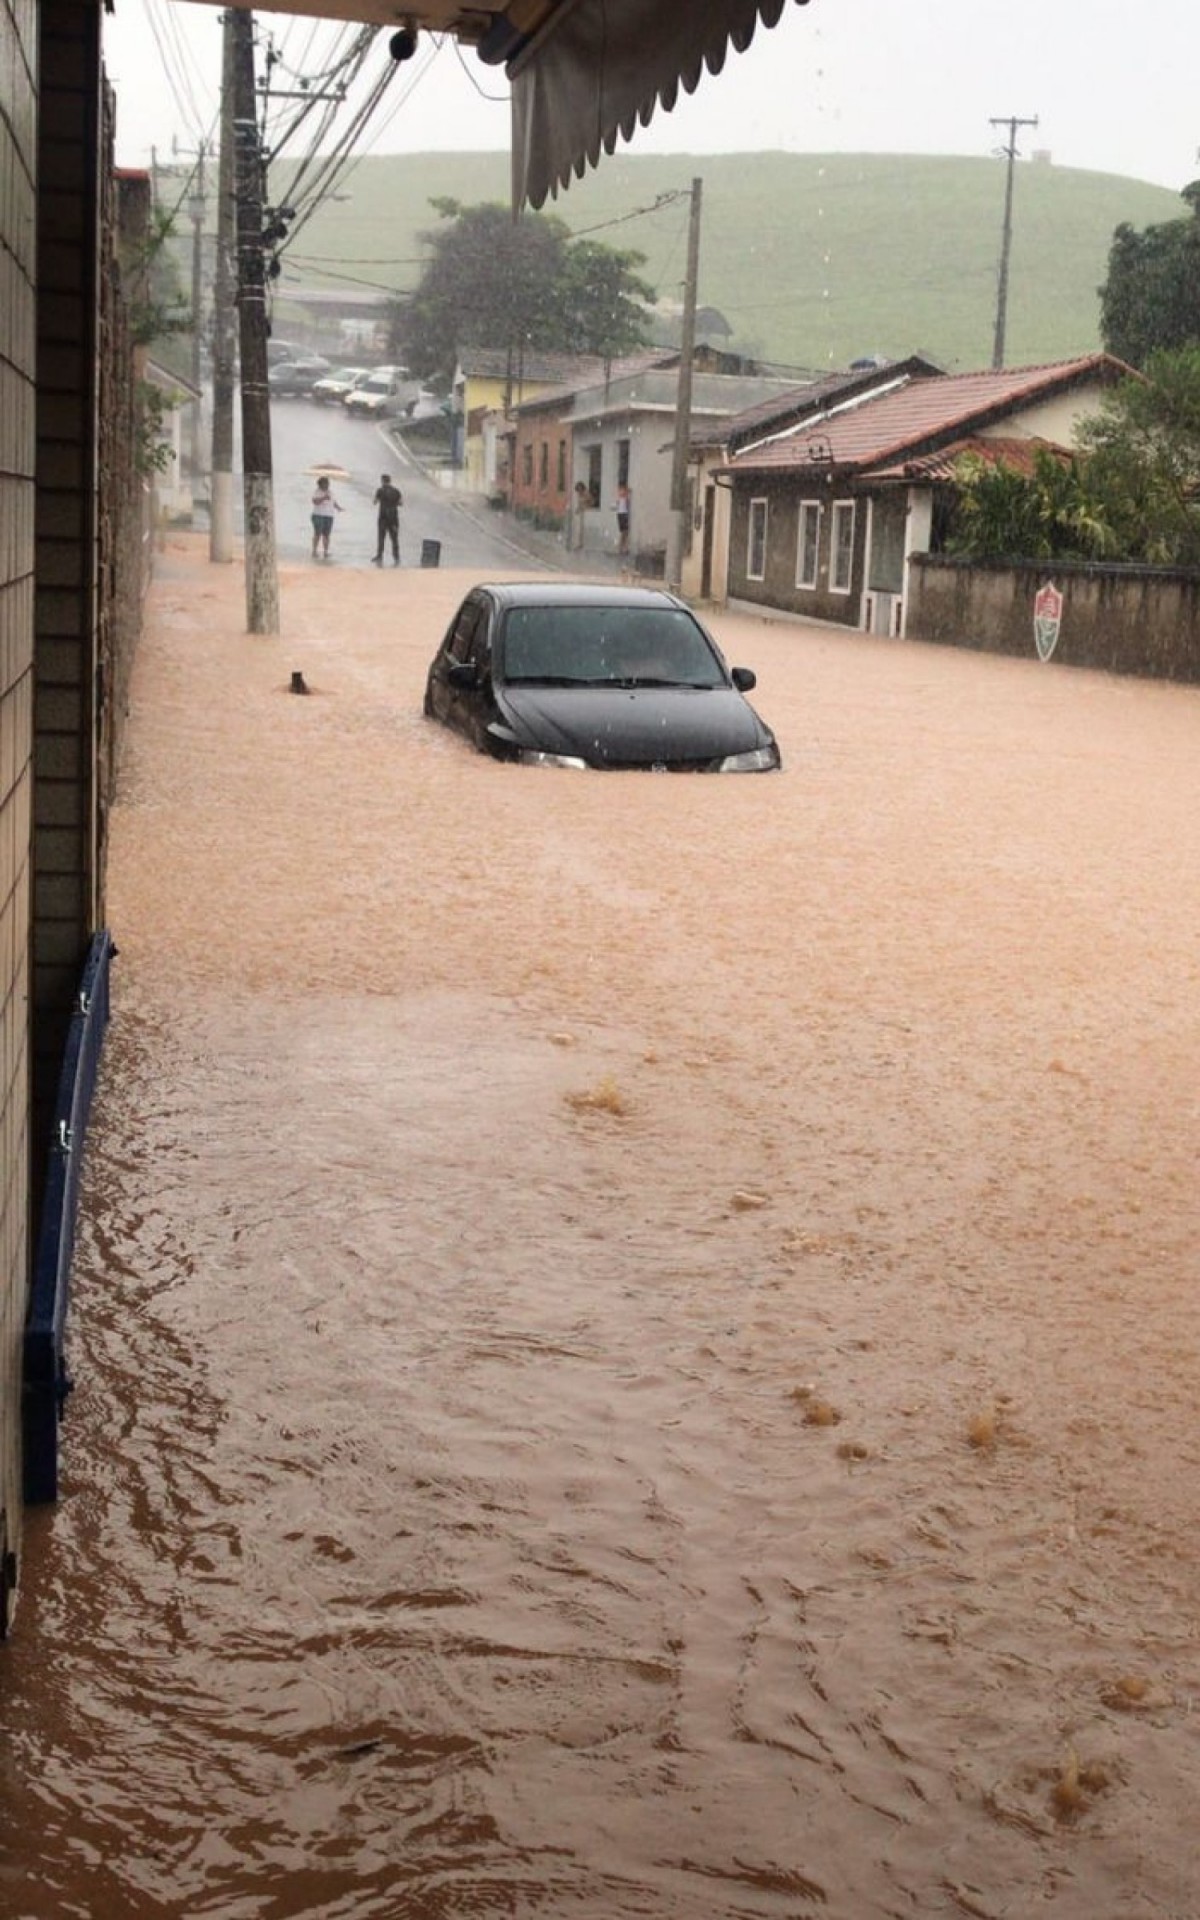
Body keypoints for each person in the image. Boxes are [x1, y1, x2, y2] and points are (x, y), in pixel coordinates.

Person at [373, 472, 403, 566]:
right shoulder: (397, 491)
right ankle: (396, 557)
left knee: (381, 537)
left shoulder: (380, 490)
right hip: (393, 518)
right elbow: (401, 503)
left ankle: (379, 555)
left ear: (382, 481)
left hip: (383, 518)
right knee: (394, 538)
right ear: (390, 481)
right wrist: (393, 503)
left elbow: (375, 502)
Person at [310, 475, 342, 560]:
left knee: (327, 535)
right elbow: (315, 502)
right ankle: (314, 551)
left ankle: (326, 551)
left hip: (329, 516)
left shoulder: (330, 492)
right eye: (325, 483)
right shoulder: (317, 492)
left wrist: (338, 507)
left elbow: (333, 502)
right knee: (317, 533)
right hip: (318, 515)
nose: (327, 485)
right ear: (320, 484)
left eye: (328, 483)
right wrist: (323, 498)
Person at [569, 480, 589, 552]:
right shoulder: (579, 495)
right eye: (578, 489)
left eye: (580, 489)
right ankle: (579, 544)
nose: (579, 491)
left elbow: (590, 501)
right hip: (581, 512)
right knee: (578, 529)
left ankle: (581, 544)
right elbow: (579, 503)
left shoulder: (586, 494)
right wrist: (578, 509)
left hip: (586, 512)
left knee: (581, 529)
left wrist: (586, 506)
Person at [615, 480, 631, 556]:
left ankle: (623, 548)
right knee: (624, 532)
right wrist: (628, 491)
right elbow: (623, 495)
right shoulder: (621, 495)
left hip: (623, 514)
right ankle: (620, 548)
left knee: (625, 532)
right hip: (622, 514)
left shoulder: (623, 495)